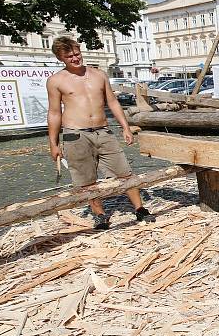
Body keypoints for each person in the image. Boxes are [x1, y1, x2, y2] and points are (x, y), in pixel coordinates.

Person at [47, 36, 155, 230]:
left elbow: (112, 102)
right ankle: (100, 215)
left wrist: (125, 127)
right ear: (60, 58)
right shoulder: (56, 81)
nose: (75, 58)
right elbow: (54, 112)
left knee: (124, 172)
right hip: (75, 134)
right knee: (87, 180)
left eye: (77, 53)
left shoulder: (98, 74)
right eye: (69, 56)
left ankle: (140, 209)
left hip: (103, 131)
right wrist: (53, 144)